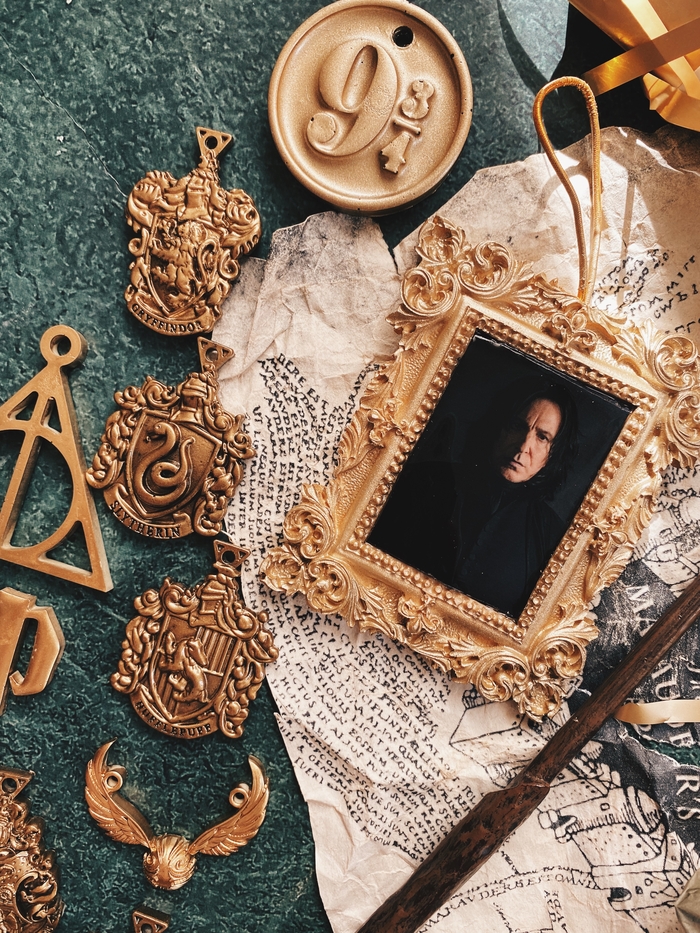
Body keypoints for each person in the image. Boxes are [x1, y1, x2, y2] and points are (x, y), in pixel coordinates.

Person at [369, 378, 578, 617]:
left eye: (542, 437)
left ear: (554, 455)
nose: (523, 446)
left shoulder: (551, 537)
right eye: (517, 426)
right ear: (497, 425)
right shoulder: (424, 480)